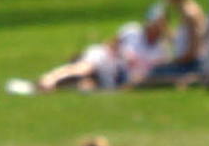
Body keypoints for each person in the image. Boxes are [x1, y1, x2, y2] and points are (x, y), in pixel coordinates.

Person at [36, 17, 170, 93]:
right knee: (83, 69)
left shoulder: (160, 50)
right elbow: (110, 44)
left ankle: (56, 87)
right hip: (106, 58)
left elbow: (146, 74)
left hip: (117, 73)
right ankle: (49, 79)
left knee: (87, 86)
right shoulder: (132, 31)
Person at [134, 0, 208, 87]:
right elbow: (180, 42)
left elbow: (194, 52)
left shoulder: (190, 14)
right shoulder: (184, 11)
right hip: (186, 64)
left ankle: (191, 81)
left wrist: (172, 62)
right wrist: (164, 27)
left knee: (145, 80)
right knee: (149, 74)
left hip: (192, 66)